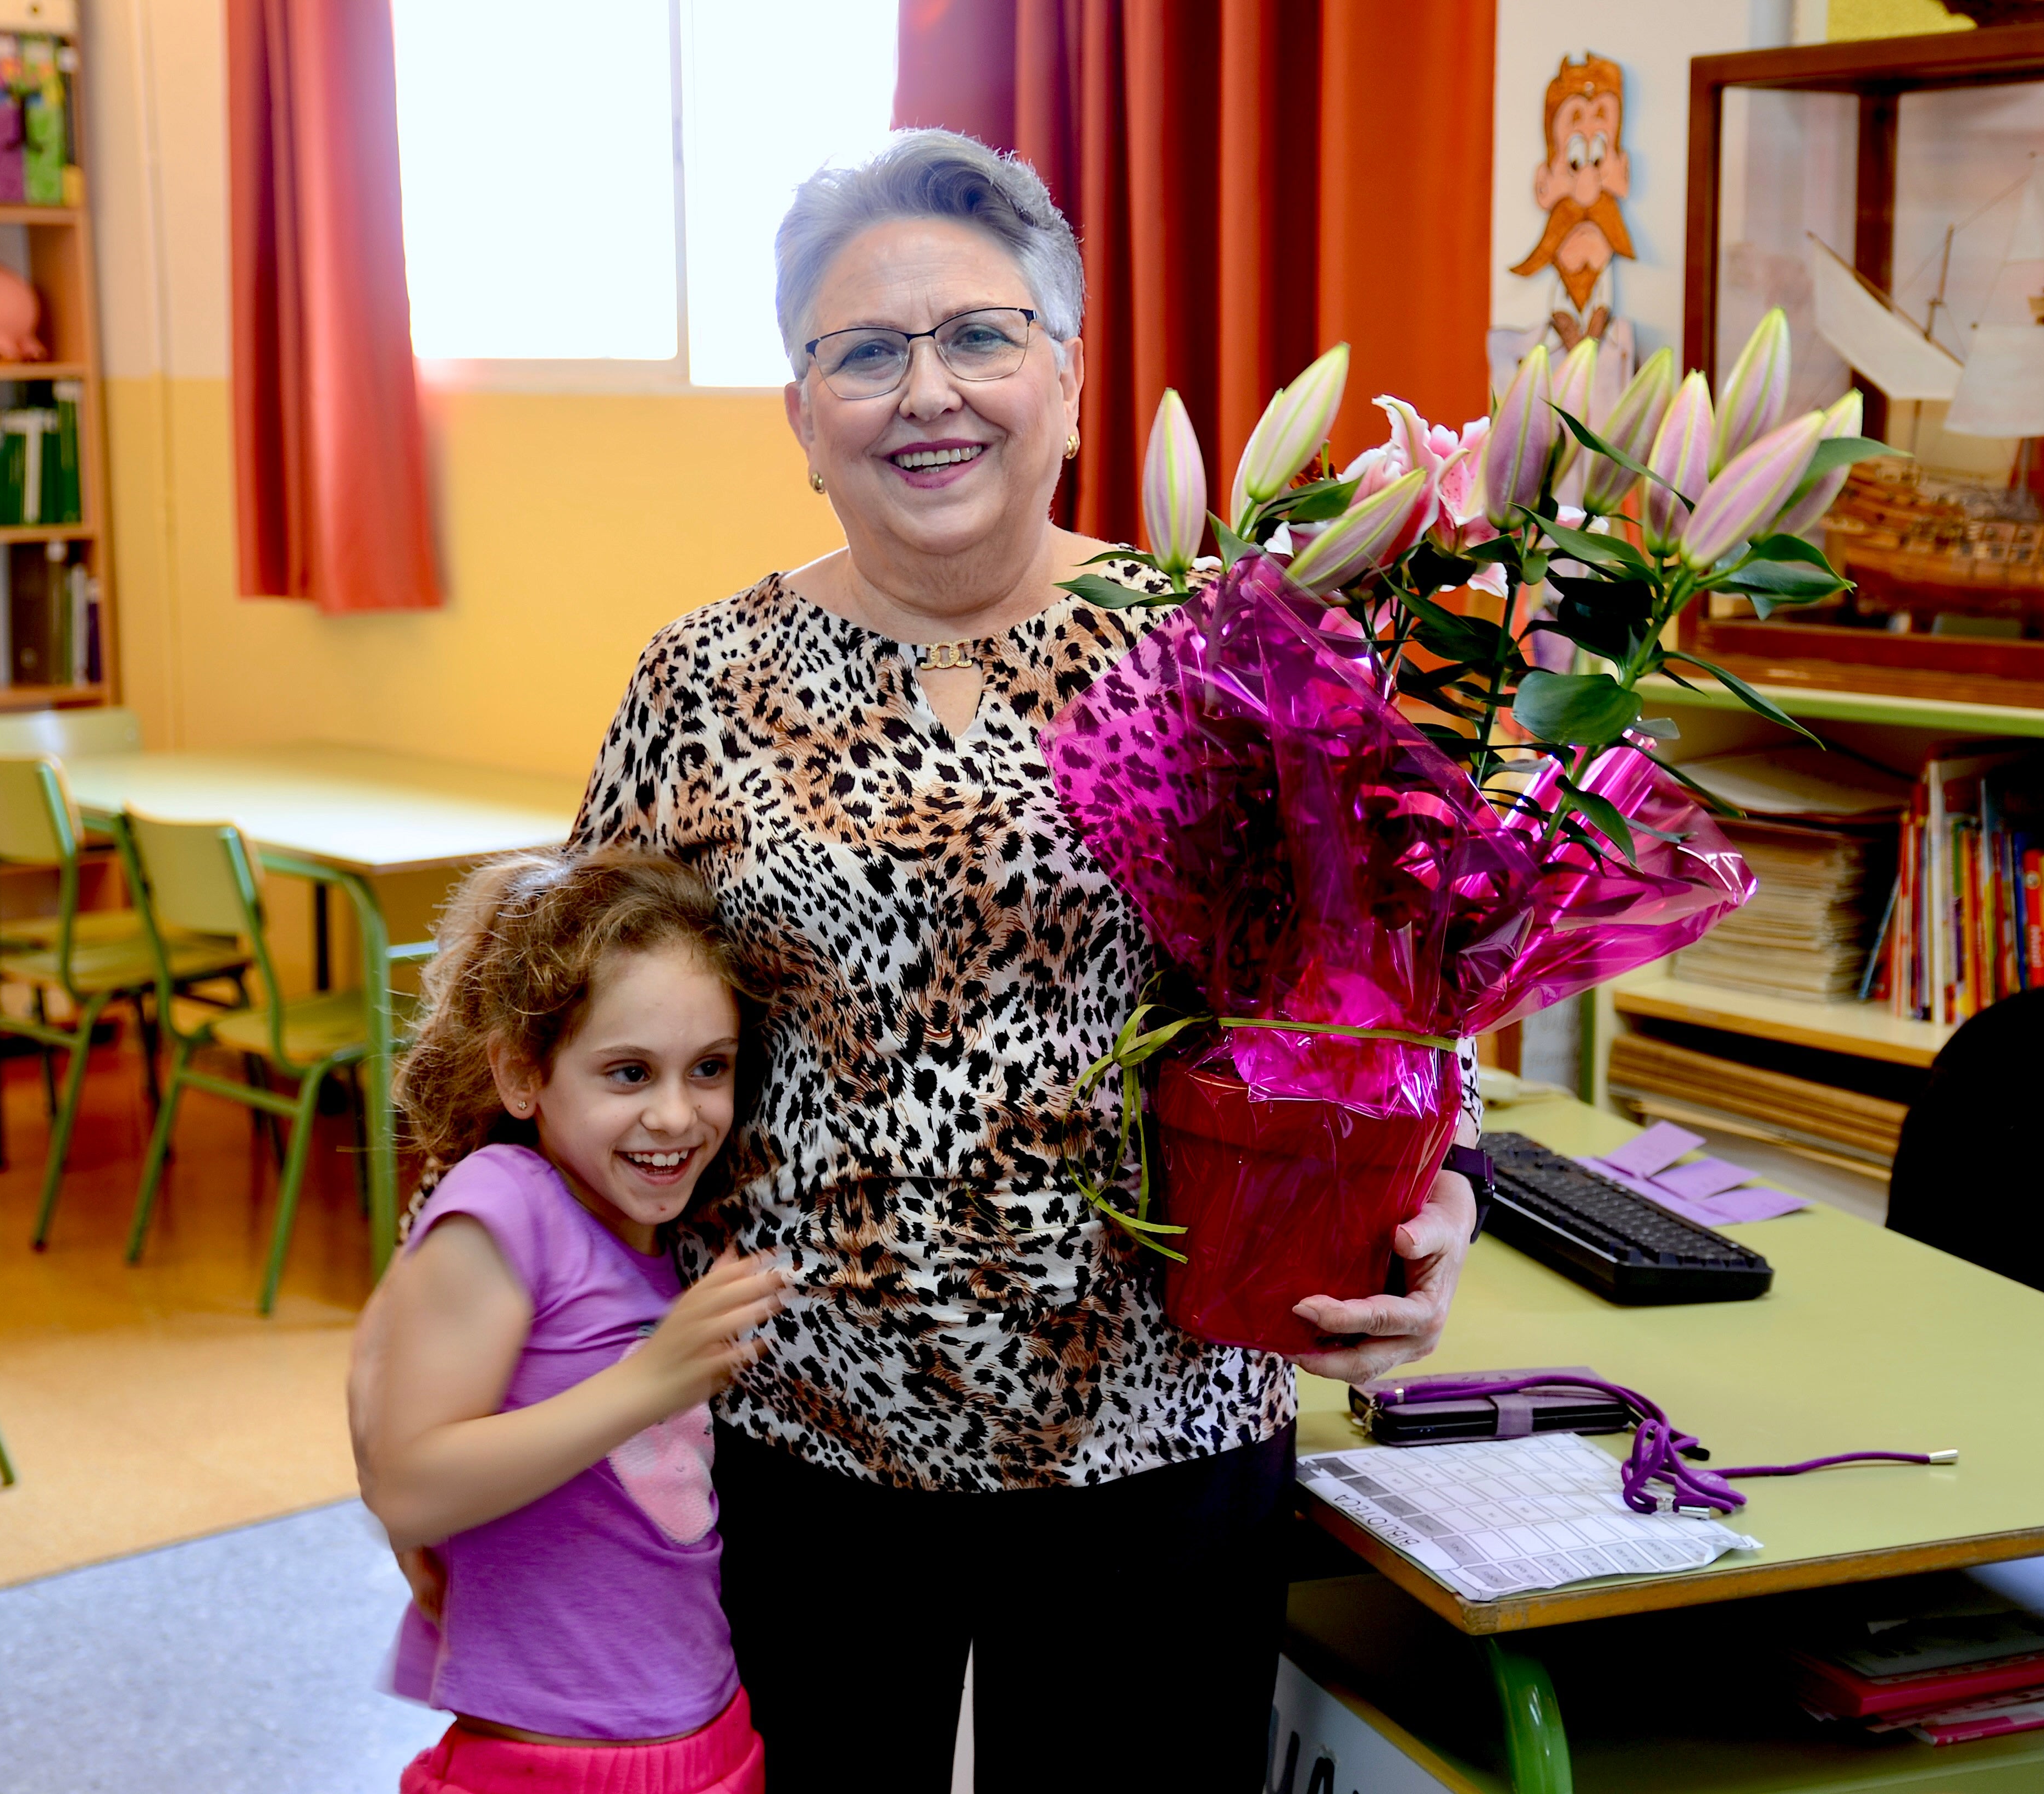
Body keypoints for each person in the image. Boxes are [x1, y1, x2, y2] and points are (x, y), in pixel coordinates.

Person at [564, 129, 1484, 1789]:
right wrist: (528, 1379)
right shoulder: (699, 678)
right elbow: (575, 1042)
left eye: (980, 337)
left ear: (1068, 381)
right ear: (802, 418)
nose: (927, 393)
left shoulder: (1219, 651)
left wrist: (1441, 1203)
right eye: (863, 352)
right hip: (803, 1426)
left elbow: (1407, 1003)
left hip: (1162, 1423)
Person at [352, 849, 788, 1794]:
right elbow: (410, 1488)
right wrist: (652, 1381)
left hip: (710, 1737)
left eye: (708, 1068)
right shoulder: (501, 1203)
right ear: (522, 1075)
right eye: (628, 1073)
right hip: (549, 1765)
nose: (676, 1115)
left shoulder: (651, 1235)